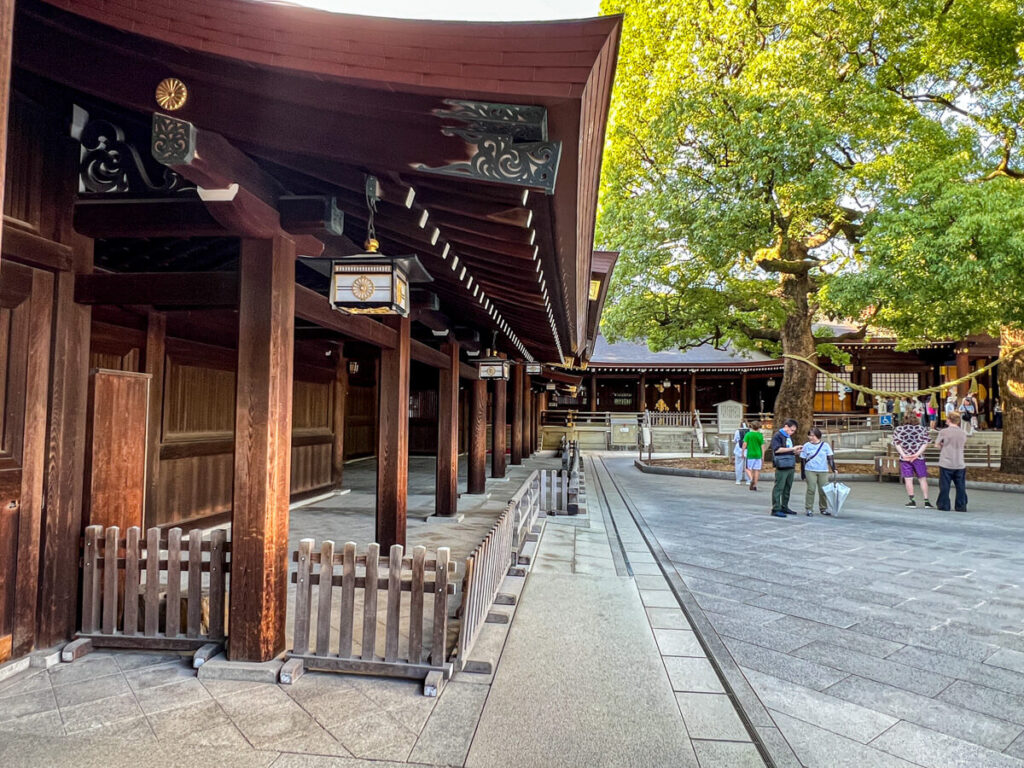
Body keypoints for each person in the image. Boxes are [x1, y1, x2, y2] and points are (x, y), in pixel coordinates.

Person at [892, 412, 933, 508]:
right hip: (919, 458)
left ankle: (912, 501)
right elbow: (925, 443)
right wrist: (917, 454)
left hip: (905, 458)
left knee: (908, 479)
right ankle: (926, 501)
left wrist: (904, 454)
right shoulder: (921, 429)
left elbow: (897, 443)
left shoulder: (899, 429)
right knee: (922, 479)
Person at [935, 412, 968, 512]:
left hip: (946, 461)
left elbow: (937, 444)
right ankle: (961, 505)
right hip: (959, 462)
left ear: (949, 420)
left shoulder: (944, 432)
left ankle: (944, 505)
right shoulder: (963, 432)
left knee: (945, 486)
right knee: (960, 486)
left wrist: (942, 445)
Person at [769, 419, 802, 518]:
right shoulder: (778, 436)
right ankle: (776, 508)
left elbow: (787, 449)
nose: (792, 432)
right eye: (791, 430)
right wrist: (792, 448)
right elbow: (777, 449)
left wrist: (796, 451)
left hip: (790, 463)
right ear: (786, 426)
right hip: (782, 464)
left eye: (793, 431)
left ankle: (784, 506)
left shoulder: (788, 437)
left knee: (788, 487)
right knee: (779, 487)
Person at [800, 428, 834, 516]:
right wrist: (802, 472)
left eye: (812, 435)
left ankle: (823, 508)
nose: (810, 437)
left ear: (818, 436)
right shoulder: (806, 445)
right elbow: (803, 460)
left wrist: (834, 468)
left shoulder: (825, 445)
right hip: (810, 470)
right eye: (809, 435)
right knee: (811, 489)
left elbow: (830, 458)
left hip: (823, 470)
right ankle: (809, 508)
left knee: (823, 490)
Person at [743, 421, 765, 491]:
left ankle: (751, 479)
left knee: (747, 469)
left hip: (750, 454)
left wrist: (742, 452)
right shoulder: (760, 435)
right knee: (757, 470)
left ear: (751, 427)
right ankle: (755, 485)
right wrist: (763, 456)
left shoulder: (748, 434)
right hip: (758, 454)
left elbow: (744, 444)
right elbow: (763, 446)